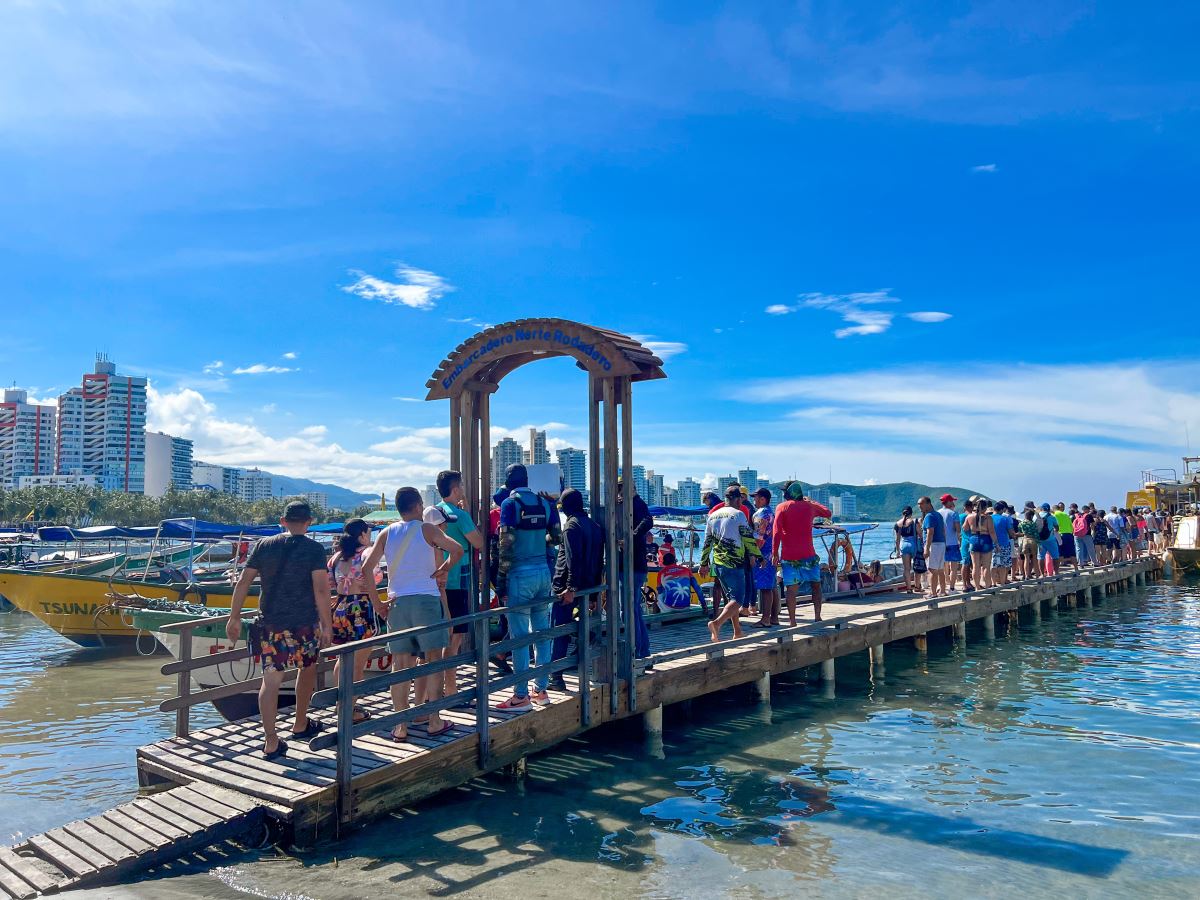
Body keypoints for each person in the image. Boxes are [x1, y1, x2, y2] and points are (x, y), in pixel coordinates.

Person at [227, 499, 333, 760]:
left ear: (283, 521)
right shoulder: (314, 549)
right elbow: (321, 589)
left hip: (270, 623)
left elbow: (243, 582)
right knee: (306, 669)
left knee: (270, 679)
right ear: (308, 523)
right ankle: (299, 723)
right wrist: (327, 623)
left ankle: (271, 740)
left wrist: (234, 617)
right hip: (303, 624)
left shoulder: (264, 545)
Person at [360, 487, 463, 740]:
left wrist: (377, 602)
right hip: (426, 601)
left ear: (399, 508)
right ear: (418, 506)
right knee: (433, 661)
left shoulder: (386, 532)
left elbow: (366, 568)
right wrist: (444, 568)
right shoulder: (427, 529)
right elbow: (458, 549)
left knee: (400, 664)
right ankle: (434, 719)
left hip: (397, 603)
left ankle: (400, 725)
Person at [493, 464, 562, 710]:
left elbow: (506, 545)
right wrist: (536, 538)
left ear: (509, 483)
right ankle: (541, 690)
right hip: (544, 572)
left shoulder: (510, 505)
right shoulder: (546, 504)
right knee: (542, 633)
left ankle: (520, 696)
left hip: (519, 575)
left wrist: (500, 581)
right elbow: (556, 538)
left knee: (520, 637)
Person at [429, 470, 485, 700]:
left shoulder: (435, 513)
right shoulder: (459, 516)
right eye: (460, 486)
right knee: (455, 638)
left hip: (436, 582)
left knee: (441, 636)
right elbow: (478, 542)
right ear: (455, 490)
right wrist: (469, 516)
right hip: (457, 580)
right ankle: (451, 689)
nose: (462, 490)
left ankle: (436, 688)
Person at [326, 518, 384, 724]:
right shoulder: (366, 554)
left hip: (340, 608)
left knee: (343, 660)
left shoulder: (335, 558)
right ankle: (348, 710)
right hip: (360, 609)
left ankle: (342, 704)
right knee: (358, 664)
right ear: (361, 535)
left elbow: (330, 583)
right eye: (368, 533)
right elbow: (376, 578)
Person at [551, 487, 604, 689]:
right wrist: (595, 589)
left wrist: (570, 587)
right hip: (588, 586)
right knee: (577, 626)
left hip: (567, 588)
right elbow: (599, 561)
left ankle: (556, 676)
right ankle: (580, 647)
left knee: (560, 630)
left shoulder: (572, 526)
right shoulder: (595, 526)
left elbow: (573, 559)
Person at [700, 484, 762, 641]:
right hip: (735, 563)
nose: (742, 502)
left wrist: (704, 563)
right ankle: (716, 623)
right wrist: (759, 557)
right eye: (740, 499)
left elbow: (707, 542)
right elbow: (748, 539)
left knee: (730, 598)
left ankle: (737, 631)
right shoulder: (739, 514)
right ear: (737, 499)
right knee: (738, 600)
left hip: (718, 563)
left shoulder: (712, 516)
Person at [773, 481, 832, 623]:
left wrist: (775, 553)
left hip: (789, 556)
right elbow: (827, 513)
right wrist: (811, 501)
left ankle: (793, 621)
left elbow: (777, 532)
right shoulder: (809, 506)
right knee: (816, 585)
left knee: (791, 589)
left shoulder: (781, 507)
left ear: (788, 493)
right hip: (808, 555)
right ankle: (817, 617)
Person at [617, 478, 655, 660]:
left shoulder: (637, 503)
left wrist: (629, 537)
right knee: (633, 610)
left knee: (630, 610)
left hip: (632, 565)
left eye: (620, 489)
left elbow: (648, 521)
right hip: (631, 565)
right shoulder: (628, 504)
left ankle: (638, 650)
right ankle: (640, 649)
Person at [751, 487, 779, 628]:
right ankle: (773, 617)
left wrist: (753, 555)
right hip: (771, 552)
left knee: (765, 589)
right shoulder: (771, 513)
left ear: (762, 499)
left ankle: (765, 619)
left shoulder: (760, 514)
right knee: (771, 586)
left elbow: (759, 538)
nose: (753, 500)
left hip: (762, 554)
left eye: (755, 497)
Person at [657, 551, 707, 615]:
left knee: (658, 597)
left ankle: (657, 619)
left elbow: (659, 591)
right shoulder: (686, 570)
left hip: (669, 608)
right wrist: (704, 605)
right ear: (675, 561)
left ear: (664, 563)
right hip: (685, 607)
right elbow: (697, 588)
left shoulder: (661, 572)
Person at [964, 498, 997, 588]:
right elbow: (992, 532)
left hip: (974, 540)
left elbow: (965, 528)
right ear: (985, 507)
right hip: (985, 539)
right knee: (986, 566)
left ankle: (977, 587)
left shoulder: (969, 516)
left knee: (975, 566)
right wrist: (996, 544)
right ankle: (987, 586)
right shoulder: (988, 518)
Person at [918, 496, 947, 597]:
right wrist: (945, 543)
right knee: (940, 569)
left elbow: (930, 532)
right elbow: (943, 530)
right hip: (941, 543)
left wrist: (926, 548)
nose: (919, 506)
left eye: (921, 504)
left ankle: (933, 593)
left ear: (928, 503)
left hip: (933, 545)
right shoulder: (938, 515)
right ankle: (943, 591)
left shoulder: (929, 516)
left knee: (932, 570)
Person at [893, 505, 921, 593]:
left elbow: (897, 540)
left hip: (903, 545)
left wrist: (897, 551)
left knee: (907, 569)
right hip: (914, 544)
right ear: (911, 513)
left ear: (902, 513)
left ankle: (909, 588)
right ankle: (917, 587)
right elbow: (920, 534)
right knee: (916, 567)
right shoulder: (914, 521)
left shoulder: (898, 523)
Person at [938, 494, 963, 591]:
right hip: (952, 543)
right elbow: (958, 529)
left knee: (941, 567)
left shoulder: (937, 513)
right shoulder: (953, 513)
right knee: (953, 568)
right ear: (948, 502)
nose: (953, 502)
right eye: (952, 501)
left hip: (940, 542)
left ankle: (942, 587)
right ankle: (952, 588)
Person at [990, 501, 1017, 586]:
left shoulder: (989, 518)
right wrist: (1015, 535)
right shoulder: (1005, 519)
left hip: (992, 544)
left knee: (994, 564)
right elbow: (1010, 532)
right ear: (1001, 510)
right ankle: (1002, 582)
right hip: (1004, 544)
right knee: (1003, 565)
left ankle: (993, 583)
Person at [1053, 503, 1077, 573]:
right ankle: (1076, 569)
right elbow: (1072, 527)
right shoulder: (1066, 515)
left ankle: (1057, 571)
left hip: (1060, 535)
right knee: (1072, 553)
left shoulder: (1055, 515)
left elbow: (1055, 526)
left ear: (1054, 509)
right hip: (1069, 535)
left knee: (1059, 553)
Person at [1037, 503, 1061, 575]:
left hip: (1040, 540)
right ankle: (1056, 573)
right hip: (1050, 539)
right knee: (1055, 556)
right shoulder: (1052, 517)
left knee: (1040, 557)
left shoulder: (1036, 517)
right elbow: (1057, 528)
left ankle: (1042, 574)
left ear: (1041, 508)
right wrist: (1054, 529)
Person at [1017, 507, 1041, 578]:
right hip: (1032, 541)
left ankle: (1026, 575)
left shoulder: (1021, 523)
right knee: (1034, 559)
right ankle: (1037, 575)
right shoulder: (1033, 524)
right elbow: (1036, 534)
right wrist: (1039, 544)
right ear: (1031, 516)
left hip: (1025, 540)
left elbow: (1020, 532)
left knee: (1026, 559)